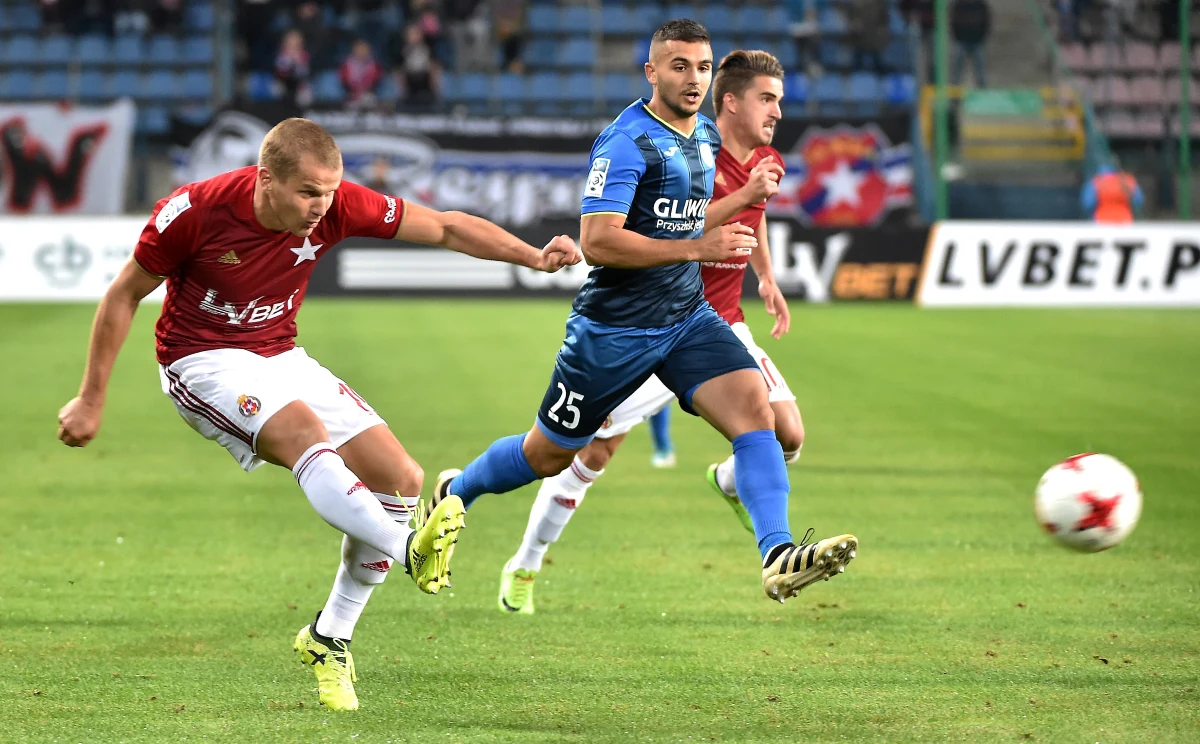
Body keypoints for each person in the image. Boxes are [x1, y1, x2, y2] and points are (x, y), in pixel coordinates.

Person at [56, 118, 580, 711]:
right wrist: (92, 397)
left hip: (279, 352)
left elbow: (445, 226)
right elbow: (124, 293)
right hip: (201, 359)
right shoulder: (193, 213)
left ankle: (328, 637)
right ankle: (408, 547)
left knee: (401, 479)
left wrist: (533, 257)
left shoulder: (336, 205)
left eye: (329, 191)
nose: (322, 206)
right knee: (306, 436)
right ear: (265, 180)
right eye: (308, 193)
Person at [431, 21, 857, 608]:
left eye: (703, 68)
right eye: (679, 66)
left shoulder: (705, 135)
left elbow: (688, 217)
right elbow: (599, 242)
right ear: (652, 72)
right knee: (549, 454)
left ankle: (777, 554)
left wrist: (735, 241)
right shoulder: (625, 141)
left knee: (757, 413)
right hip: (613, 332)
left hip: (688, 317)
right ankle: (459, 488)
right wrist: (697, 249)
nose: (693, 79)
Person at [950, 0, 991, 88]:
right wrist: (957, 36)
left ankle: (983, 94)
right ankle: (954, 96)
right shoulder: (958, 5)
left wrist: (981, 37)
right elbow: (953, 22)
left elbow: (986, 22)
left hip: (976, 41)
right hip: (961, 41)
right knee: (956, 72)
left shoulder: (981, 5)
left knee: (981, 72)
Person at [339, 39, 385, 109]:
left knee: (369, 99)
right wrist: (354, 92)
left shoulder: (374, 65)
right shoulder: (346, 64)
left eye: (364, 50)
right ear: (353, 50)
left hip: (368, 94)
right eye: (359, 49)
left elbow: (376, 81)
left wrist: (365, 91)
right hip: (351, 94)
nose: (361, 52)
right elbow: (344, 80)